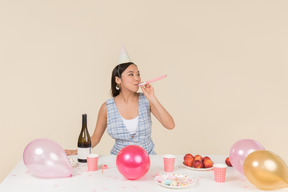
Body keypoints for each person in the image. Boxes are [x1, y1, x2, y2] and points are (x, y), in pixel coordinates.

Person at [65, 49, 175, 155]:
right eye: (131, 74)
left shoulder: (147, 100)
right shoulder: (107, 107)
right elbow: (95, 138)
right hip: (117, 162)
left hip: (147, 161)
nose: (137, 78)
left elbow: (170, 125)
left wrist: (152, 98)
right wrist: (77, 152)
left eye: (138, 74)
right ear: (118, 80)